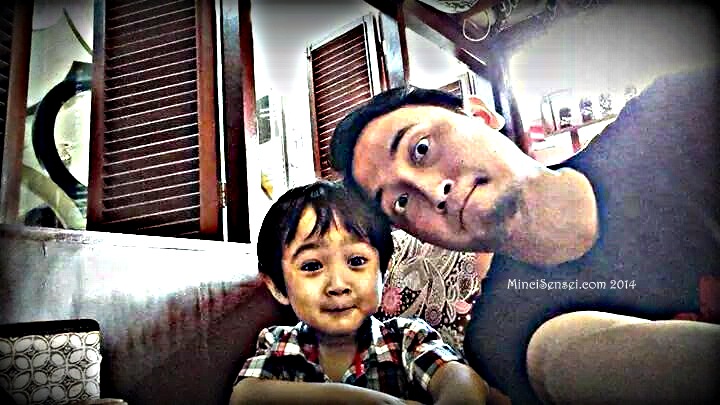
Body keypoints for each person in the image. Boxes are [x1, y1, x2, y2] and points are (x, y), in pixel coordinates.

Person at [330, 66, 720, 404]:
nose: (433, 192)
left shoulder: (673, 117)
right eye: (400, 202)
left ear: (480, 116)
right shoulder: (502, 339)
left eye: (421, 148)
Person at [229, 180, 490, 404]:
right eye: (312, 266)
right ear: (277, 286)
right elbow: (245, 396)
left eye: (356, 261)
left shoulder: (407, 339)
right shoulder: (279, 344)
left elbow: (462, 381)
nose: (338, 285)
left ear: (382, 271)